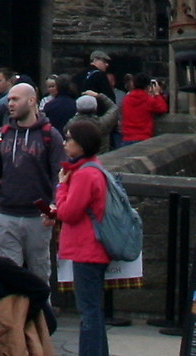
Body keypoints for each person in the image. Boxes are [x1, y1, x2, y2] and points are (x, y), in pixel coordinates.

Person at [0, 84, 62, 278]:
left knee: (39, 275)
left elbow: (59, 174)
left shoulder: (50, 135)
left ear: (32, 101)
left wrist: (55, 204)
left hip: (37, 216)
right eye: (9, 100)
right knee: (9, 277)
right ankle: (14, 309)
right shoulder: (2, 134)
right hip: (8, 213)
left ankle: (39, 309)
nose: (10, 104)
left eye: (15, 99)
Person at [53, 119, 115, 356]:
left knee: (88, 312)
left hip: (87, 249)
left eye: (69, 139)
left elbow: (68, 212)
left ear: (82, 144)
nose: (66, 142)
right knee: (94, 311)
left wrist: (61, 187)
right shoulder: (94, 167)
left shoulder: (84, 174)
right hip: (93, 249)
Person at [119, 76, 169, 146]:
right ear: (148, 87)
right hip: (143, 138)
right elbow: (162, 108)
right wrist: (157, 94)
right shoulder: (148, 99)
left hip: (127, 138)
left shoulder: (126, 99)